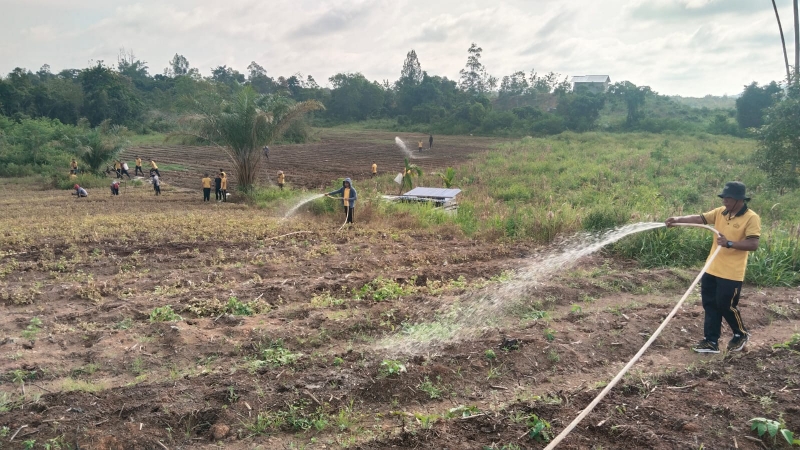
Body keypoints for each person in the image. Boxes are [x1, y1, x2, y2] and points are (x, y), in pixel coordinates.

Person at [665, 181, 761, 354]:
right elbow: (699, 219)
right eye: (724, 197)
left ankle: (741, 334)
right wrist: (678, 220)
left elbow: (753, 244)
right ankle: (711, 341)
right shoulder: (720, 212)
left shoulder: (751, 217)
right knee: (710, 304)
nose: (724, 201)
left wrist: (729, 243)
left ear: (739, 199)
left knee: (726, 305)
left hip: (731, 272)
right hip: (711, 268)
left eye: (728, 198)